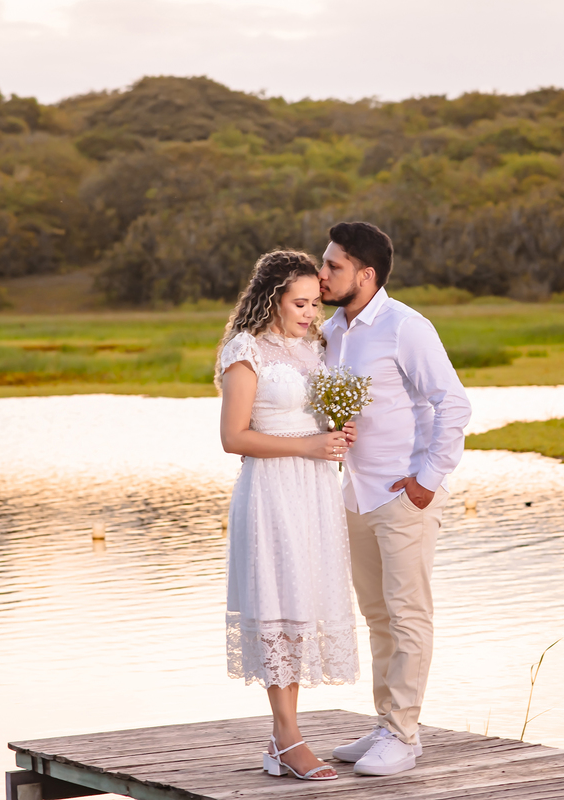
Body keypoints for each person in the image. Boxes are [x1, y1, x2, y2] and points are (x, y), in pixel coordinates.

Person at [318, 222, 472, 776]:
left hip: (403, 495)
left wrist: (428, 479)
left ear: (366, 274)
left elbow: (453, 403)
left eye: (333, 265)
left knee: (408, 615)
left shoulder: (407, 327)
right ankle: (386, 723)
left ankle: (404, 735)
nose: (323, 273)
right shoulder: (332, 329)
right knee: (377, 614)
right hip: (354, 495)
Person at [217, 249, 360, 782]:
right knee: (279, 604)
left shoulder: (316, 347)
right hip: (272, 490)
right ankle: (288, 739)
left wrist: (338, 434)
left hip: (316, 492)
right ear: (272, 298)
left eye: (315, 303)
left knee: (302, 604)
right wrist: (308, 446)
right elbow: (234, 437)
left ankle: (283, 743)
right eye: (299, 303)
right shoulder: (245, 349)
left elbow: (320, 419)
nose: (309, 313)